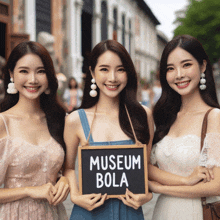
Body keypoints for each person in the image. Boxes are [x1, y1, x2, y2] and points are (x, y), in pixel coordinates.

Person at [64, 40, 153, 220]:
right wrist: (75, 195)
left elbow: (148, 167)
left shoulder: (143, 115)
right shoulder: (76, 119)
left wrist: (148, 194)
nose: (112, 77)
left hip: (130, 213)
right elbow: (67, 168)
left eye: (120, 69)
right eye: (104, 69)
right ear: (92, 72)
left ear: (128, 73)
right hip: (88, 212)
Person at [148, 35, 220, 220]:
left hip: (198, 212)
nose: (179, 74)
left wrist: (161, 188)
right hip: (163, 211)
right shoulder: (164, 116)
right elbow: (147, 167)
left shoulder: (214, 117)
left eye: (186, 65)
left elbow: (216, 186)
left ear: (202, 66)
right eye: (170, 68)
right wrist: (185, 181)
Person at [0, 41, 69, 219]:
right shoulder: (3, 122)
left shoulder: (60, 120)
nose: (33, 79)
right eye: (24, 71)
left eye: (41, 71)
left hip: (53, 213)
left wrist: (65, 181)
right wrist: (30, 190)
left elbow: (69, 169)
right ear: (11, 74)